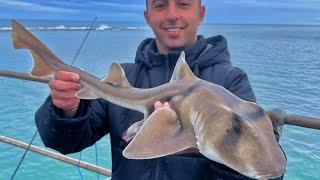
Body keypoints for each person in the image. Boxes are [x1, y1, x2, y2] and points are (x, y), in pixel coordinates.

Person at [35, 0, 281, 179]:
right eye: (161, 5)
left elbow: (266, 166)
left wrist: (203, 148)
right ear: (147, 16)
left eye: (183, 4)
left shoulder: (231, 80)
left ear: (201, 12)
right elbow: (66, 142)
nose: (172, 15)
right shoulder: (128, 75)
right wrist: (65, 111)